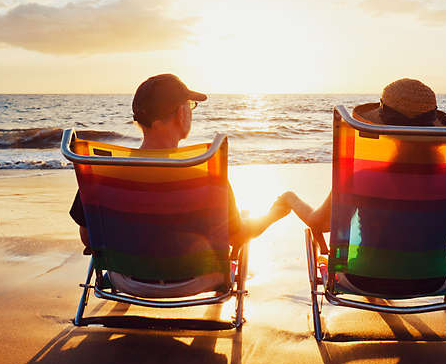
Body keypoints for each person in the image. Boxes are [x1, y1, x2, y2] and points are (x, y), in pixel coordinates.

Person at [69, 73, 290, 251]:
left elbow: (88, 237)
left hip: (125, 280)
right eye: (190, 105)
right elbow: (236, 236)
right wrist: (272, 215)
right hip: (194, 282)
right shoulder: (206, 175)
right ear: (181, 114)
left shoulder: (105, 173)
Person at [279, 78, 446, 296]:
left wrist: (292, 200)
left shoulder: (362, 177)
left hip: (364, 279)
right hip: (433, 280)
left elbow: (321, 224)